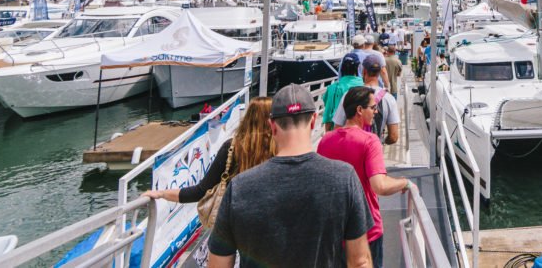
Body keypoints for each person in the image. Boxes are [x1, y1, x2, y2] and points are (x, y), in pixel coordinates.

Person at [207, 84, 372, 268]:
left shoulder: (240, 187)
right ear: (313, 121)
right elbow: (359, 261)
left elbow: (218, 264)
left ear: (272, 126)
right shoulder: (344, 178)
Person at [318, 86, 413, 267]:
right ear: (359, 110)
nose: (376, 112)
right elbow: (380, 186)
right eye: (373, 107)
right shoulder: (370, 141)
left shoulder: (325, 141)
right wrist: (405, 183)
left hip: (335, 231)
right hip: (365, 230)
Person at [142, 96, 277, 207]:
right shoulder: (280, 149)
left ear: (248, 119)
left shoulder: (231, 148)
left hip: (235, 223)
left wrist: (161, 194)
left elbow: (200, 191)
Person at [334, 54, 399, 144]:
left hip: (351, 148)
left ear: (363, 70)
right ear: (380, 71)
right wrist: (381, 141)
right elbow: (393, 137)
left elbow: (337, 128)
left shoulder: (349, 94)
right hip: (374, 151)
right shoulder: (389, 98)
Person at [322, 55, 364, 131]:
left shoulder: (333, 87)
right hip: (360, 132)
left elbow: (328, 115)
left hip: (337, 133)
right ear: (358, 67)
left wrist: (328, 136)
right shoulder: (364, 86)